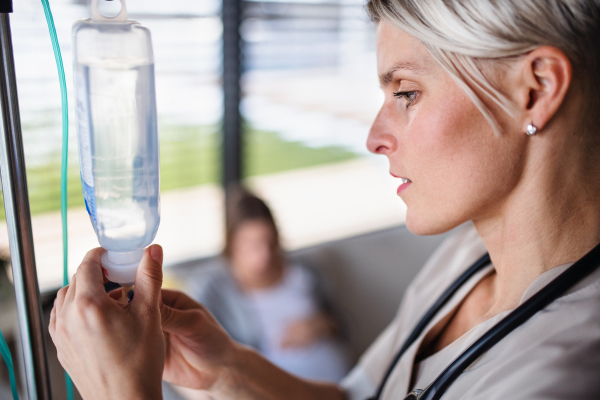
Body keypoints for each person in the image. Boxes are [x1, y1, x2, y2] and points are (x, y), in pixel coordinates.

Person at [49, 0, 600, 399]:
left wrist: (120, 394)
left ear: (535, 89)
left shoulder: (568, 372)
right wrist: (226, 370)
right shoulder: (468, 259)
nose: (374, 136)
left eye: (407, 93)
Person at [187, 187, 349, 382]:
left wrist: (319, 325)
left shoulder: (303, 271)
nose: (264, 255)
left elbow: (344, 326)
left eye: (269, 242)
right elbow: (208, 353)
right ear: (232, 244)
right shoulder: (215, 291)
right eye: (252, 245)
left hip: (339, 382)